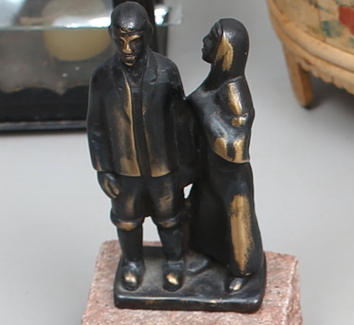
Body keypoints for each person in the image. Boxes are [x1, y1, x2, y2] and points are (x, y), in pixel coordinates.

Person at [86, 2, 196, 293]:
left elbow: (181, 121)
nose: (127, 49)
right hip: (124, 169)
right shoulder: (102, 77)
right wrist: (103, 169)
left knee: (170, 218)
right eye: (120, 40)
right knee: (126, 220)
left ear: (147, 35)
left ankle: (175, 261)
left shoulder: (166, 71)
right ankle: (132, 262)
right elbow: (96, 126)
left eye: (134, 41)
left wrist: (188, 166)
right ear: (110, 34)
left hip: (163, 167)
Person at [187, 19, 265, 297]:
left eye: (212, 38)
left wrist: (204, 112)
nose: (204, 42)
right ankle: (207, 255)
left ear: (225, 51)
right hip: (208, 167)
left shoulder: (234, 90)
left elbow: (237, 145)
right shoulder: (214, 81)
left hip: (231, 176)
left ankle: (243, 273)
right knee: (204, 213)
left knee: (237, 222)